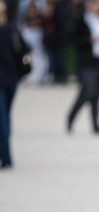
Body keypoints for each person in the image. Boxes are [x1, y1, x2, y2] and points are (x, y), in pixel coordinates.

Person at [67, 0, 99, 134]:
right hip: (86, 61)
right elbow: (73, 39)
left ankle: (96, 125)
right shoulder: (80, 19)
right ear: (89, 5)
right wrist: (89, 40)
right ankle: (71, 118)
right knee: (87, 92)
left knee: (97, 94)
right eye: (96, 4)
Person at [0, 0, 28, 169]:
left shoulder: (11, 29)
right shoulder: (12, 29)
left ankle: (6, 157)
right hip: (12, 79)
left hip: (7, 80)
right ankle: (6, 155)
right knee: (5, 117)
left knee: (3, 119)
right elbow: (25, 48)